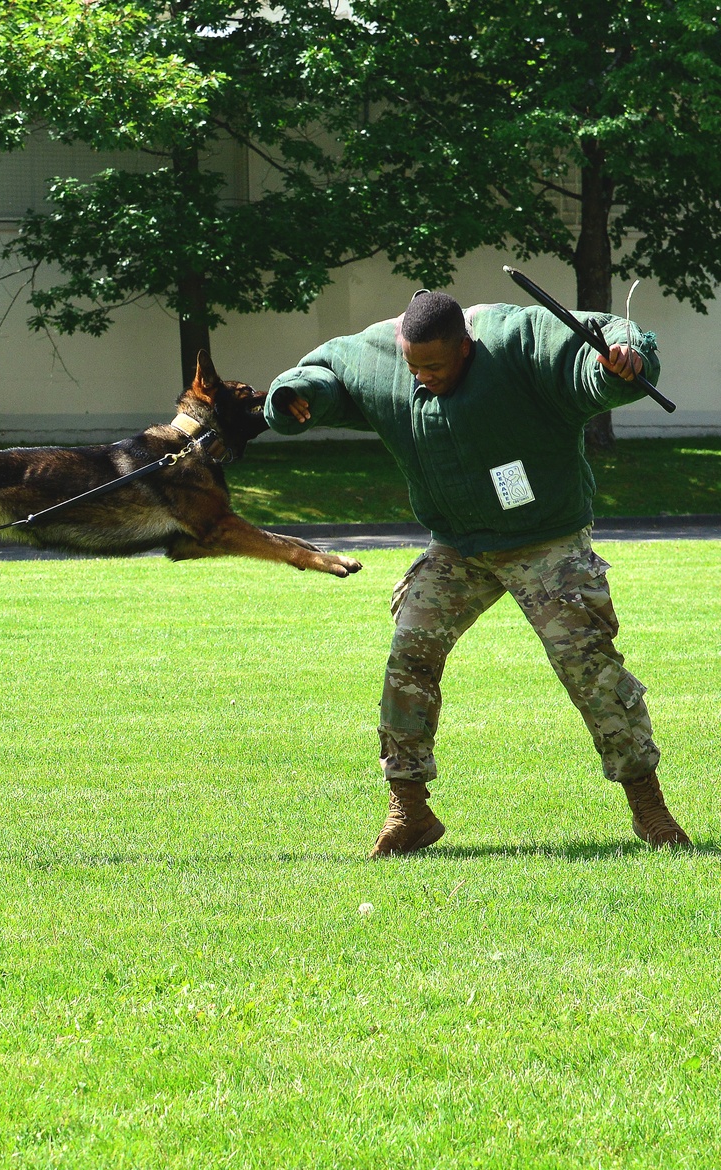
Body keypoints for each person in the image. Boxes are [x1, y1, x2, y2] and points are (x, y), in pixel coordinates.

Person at [264, 289, 690, 855]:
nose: (423, 377)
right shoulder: (381, 354)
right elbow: (320, 374)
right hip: (459, 545)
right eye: (414, 366)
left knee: (586, 662)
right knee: (409, 654)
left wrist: (620, 363)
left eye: (436, 366)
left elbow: (597, 354)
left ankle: (650, 810)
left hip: (545, 539)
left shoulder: (517, 339)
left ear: (466, 347)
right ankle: (408, 810)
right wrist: (298, 396)